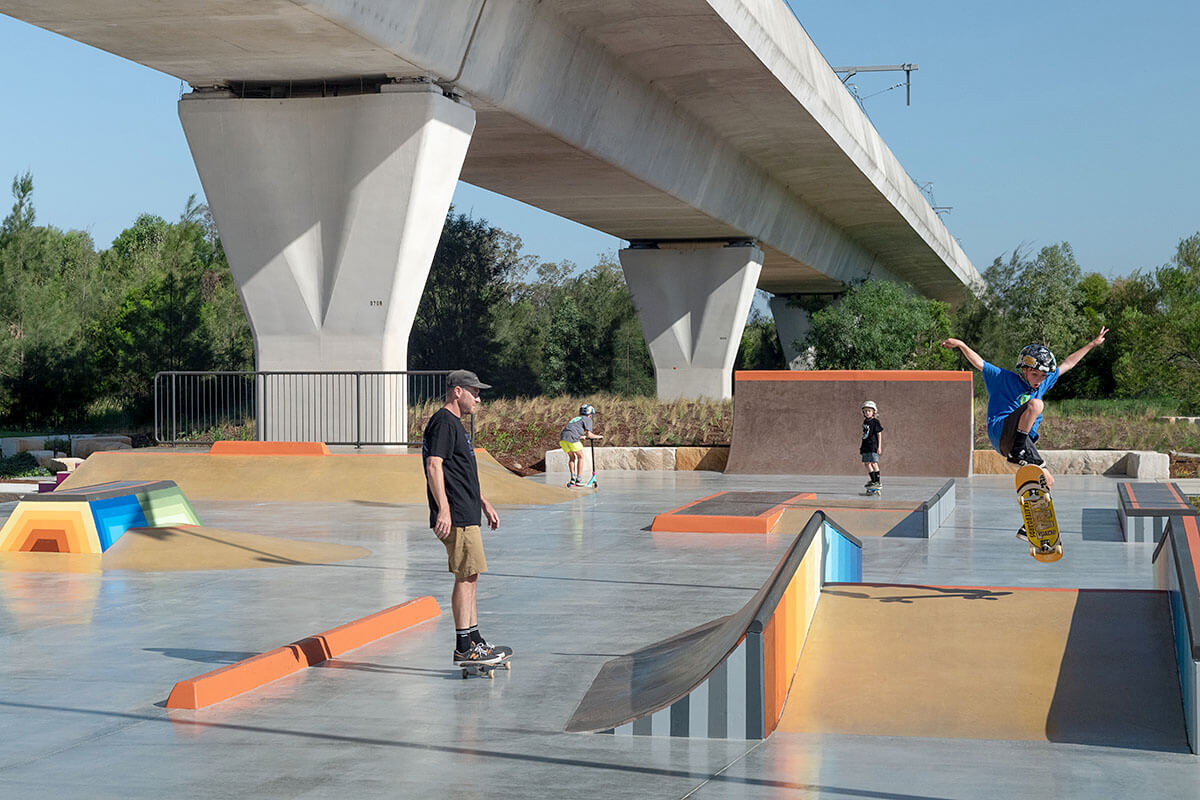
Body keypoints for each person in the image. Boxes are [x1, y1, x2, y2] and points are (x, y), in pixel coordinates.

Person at [941, 328, 1109, 489]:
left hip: (1020, 441)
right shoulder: (1002, 378)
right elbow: (979, 363)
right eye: (1035, 375)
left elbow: (1069, 363)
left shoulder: (1042, 383)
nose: (1039, 380)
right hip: (1002, 432)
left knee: (1046, 479)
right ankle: (1016, 453)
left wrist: (1093, 344)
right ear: (1024, 370)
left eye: (1043, 376)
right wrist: (961, 344)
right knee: (1036, 404)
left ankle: (1037, 512)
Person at [422, 369, 505, 666]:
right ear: (457, 391)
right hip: (456, 513)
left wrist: (483, 502)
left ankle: (474, 639)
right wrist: (443, 508)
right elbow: (434, 466)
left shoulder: (456, 425)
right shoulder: (444, 422)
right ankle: (463, 646)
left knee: (472, 574)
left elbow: (461, 471)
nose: (479, 398)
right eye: (475, 392)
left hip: (467, 509)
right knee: (464, 576)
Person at [559, 404, 603, 487]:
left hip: (563, 438)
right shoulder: (587, 419)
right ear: (590, 414)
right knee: (581, 457)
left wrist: (581, 436)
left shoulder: (576, 418)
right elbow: (590, 435)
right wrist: (599, 436)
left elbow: (571, 429)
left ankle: (573, 478)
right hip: (572, 438)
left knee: (572, 458)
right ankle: (579, 479)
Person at [860, 400, 883, 489]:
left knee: (873, 462)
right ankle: (873, 480)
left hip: (873, 446)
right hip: (865, 446)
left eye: (869, 411)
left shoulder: (875, 422)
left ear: (873, 412)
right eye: (865, 411)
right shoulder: (865, 421)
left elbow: (879, 434)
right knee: (866, 463)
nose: (867, 413)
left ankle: (877, 481)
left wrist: (879, 447)